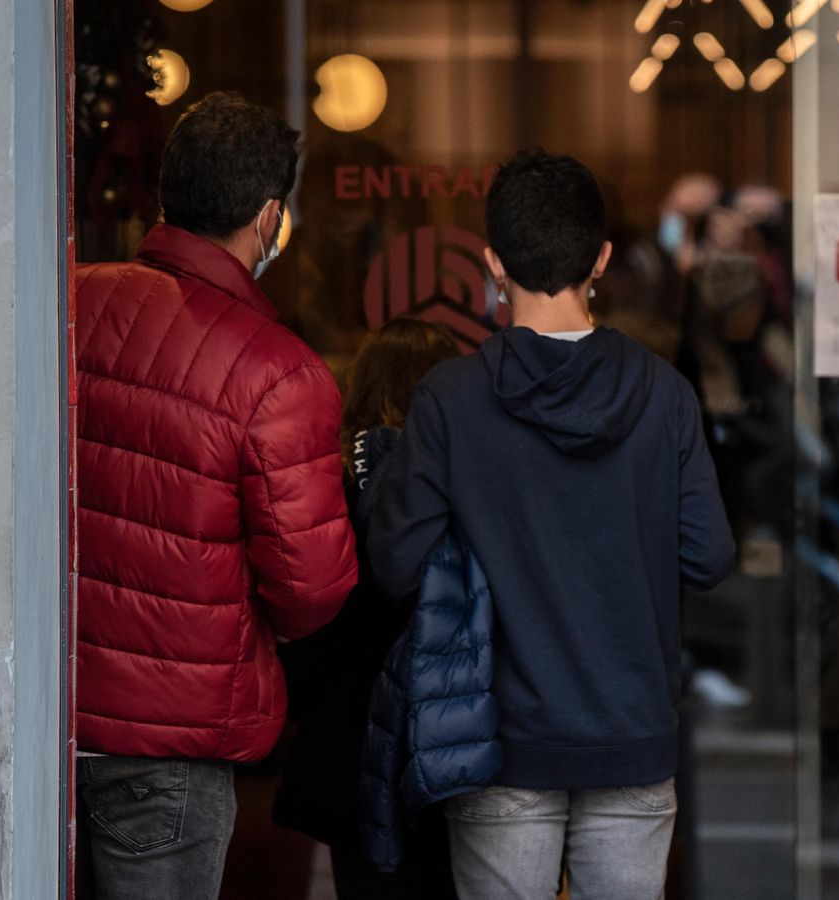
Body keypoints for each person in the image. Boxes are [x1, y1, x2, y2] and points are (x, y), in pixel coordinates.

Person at [367, 149, 736, 899]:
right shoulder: (665, 394)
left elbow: (393, 563)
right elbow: (709, 556)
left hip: (503, 743)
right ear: (601, 258)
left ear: (494, 263)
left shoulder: (450, 399)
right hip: (632, 737)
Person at [73, 92, 357, 900]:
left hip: (41, 713)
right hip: (172, 738)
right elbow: (311, 587)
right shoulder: (278, 372)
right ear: (269, 219)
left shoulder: (65, 304)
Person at [273, 318, 462, 899]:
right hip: (441, 735)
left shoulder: (327, 480)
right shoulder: (459, 484)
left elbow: (303, 604)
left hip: (345, 744)